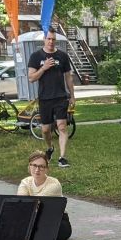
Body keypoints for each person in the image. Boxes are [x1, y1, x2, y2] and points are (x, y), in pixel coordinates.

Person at [27, 30, 77, 168]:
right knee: (45, 129)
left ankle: (62, 157)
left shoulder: (62, 56)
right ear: (44, 39)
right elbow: (31, 78)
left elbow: (68, 77)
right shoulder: (36, 56)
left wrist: (72, 96)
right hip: (45, 98)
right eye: (48, 39)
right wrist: (43, 68)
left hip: (60, 97)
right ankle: (50, 148)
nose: (51, 41)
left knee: (62, 126)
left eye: (53, 39)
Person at [16, 151, 72, 240]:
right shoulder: (25, 182)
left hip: (56, 221)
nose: (37, 169)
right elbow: (21, 205)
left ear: (46, 169)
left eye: (41, 166)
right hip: (34, 219)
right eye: (34, 165)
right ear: (29, 166)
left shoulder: (54, 184)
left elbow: (38, 204)